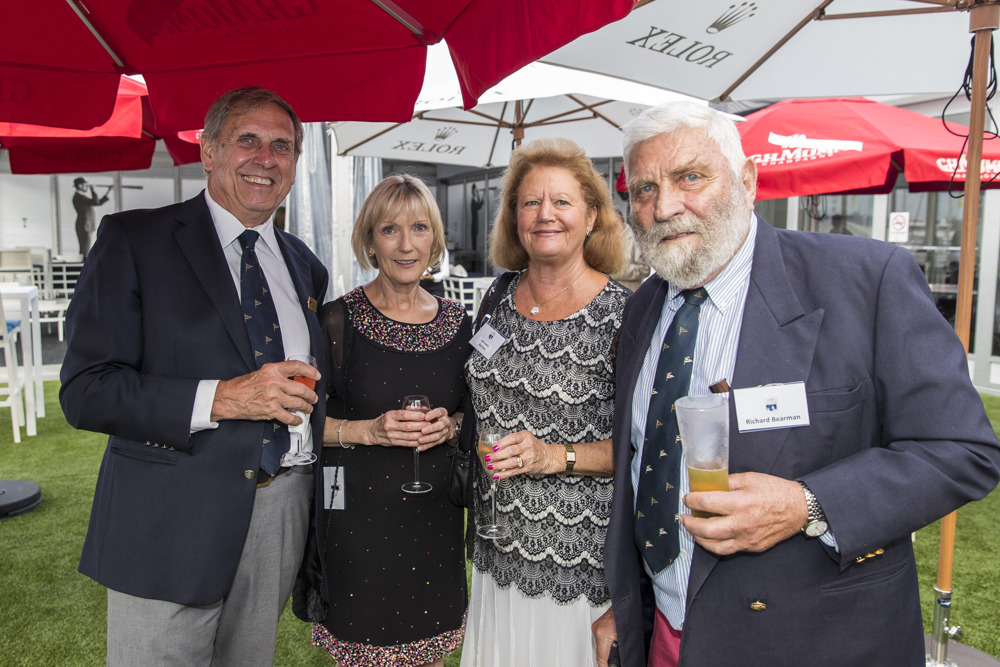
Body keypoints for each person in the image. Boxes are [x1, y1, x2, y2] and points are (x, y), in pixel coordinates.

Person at [593, 101, 1000, 666]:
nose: (664, 207)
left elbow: (962, 450)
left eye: (690, 177)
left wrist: (807, 504)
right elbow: (642, 470)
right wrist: (628, 603)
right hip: (663, 632)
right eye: (644, 189)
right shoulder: (642, 309)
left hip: (814, 643)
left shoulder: (865, 280)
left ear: (747, 181)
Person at [60, 87, 329, 666]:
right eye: (248, 140)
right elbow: (86, 390)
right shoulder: (134, 240)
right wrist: (222, 398)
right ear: (208, 151)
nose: (266, 159)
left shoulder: (304, 264)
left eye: (282, 146)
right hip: (167, 519)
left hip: (279, 512)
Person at [461, 137, 628, 667]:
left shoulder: (623, 314)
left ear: (592, 215)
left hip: (576, 562)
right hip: (495, 546)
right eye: (530, 202)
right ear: (514, 219)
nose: (544, 214)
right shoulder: (497, 296)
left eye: (561, 201)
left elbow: (644, 446)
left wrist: (553, 455)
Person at [312, 173, 470, 667]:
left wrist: (452, 427)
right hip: (357, 520)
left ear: (435, 240)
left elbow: (475, 416)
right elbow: (299, 423)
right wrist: (368, 431)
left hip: (435, 520)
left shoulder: (460, 324)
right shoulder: (337, 321)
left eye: (419, 228)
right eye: (389, 230)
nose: (406, 245)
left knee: (429, 653)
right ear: (369, 242)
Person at [609, 208, 650, 292]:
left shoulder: (636, 238)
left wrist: (616, 271)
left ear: (620, 220)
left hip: (629, 293)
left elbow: (644, 270)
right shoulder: (609, 238)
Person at [72, 176, 111, 257]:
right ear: (80, 185)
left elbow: (98, 203)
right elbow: (96, 202)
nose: (87, 187)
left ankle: (84, 262)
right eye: (85, 185)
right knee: (85, 249)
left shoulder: (81, 197)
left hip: (86, 225)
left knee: (85, 248)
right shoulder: (78, 197)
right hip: (85, 225)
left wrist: (108, 191)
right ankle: (84, 263)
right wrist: (92, 190)